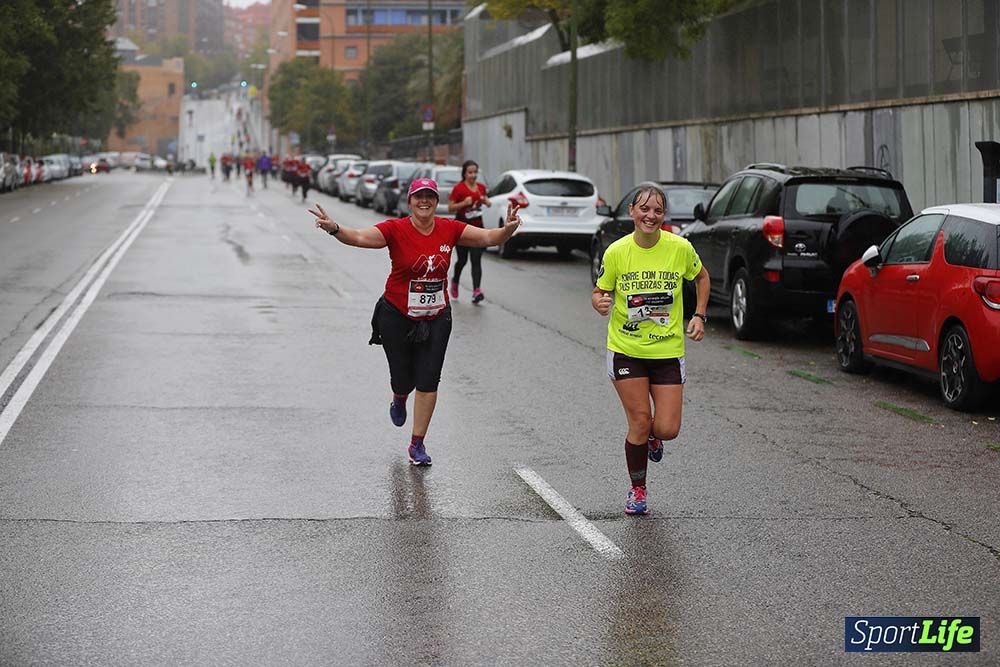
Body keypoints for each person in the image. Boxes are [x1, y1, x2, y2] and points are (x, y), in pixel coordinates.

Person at [309, 178, 523, 466]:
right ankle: (399, 396)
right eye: (418, 196)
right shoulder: (395, 229)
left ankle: (417, 444)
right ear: (409, 201)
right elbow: (358, 237)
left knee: (428, 379)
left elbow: (488, 238)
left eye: (430, 196)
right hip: (396, 315)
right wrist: (334, 228)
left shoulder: (450, 228)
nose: (424, 201)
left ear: (436, 201)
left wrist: (507, 230)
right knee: (403, 378)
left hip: (436, 317)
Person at [592, 183, 710, 515]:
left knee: (668, 429)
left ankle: (654, 438)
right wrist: (599, 302)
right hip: (626, 349)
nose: (650, 215)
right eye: (644, 209)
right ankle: (638, 489)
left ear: (664, 215)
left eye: (657, 210)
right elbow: (600, 291)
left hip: (667, 351)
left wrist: (699, 315)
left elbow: (702, 278)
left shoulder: (679, 247)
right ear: (632, 211)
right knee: (640, 421)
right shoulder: (617, 252)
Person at [448, 160, 492, 304]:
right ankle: (455, 281)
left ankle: (476, 291)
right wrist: (463, 203)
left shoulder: (481, 187)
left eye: (475, 172)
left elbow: (487, 201)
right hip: (462, 229)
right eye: (470, 172)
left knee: (476, 259)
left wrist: (486, 201)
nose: (473, 175)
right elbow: (450, 208)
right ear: (464, 173)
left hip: (478, 229)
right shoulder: (459, 188)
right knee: (462, 260)